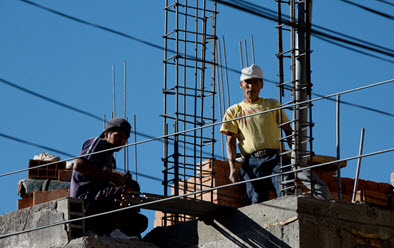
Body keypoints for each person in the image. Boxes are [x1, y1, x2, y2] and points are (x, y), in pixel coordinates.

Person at [220, 64, 330, 204]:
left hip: (276, 158)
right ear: (241, 84)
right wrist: (232, 168)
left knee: (287, 190)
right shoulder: (234, 111)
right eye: (247, 82)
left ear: (261, 85)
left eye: (255, 82)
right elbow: (230, 142)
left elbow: (288, 131)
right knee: (257, 200)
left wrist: (298, 158)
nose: (251, 86)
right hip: (251, 162)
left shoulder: (272, 104)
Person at [70, 117, 148, 239]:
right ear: (106, 134)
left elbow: (105, 186)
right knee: (130, 186)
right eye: (118, 136)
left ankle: (112, 230)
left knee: (140, 220)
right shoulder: (97, 143)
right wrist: (112, 176)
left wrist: (120, 181)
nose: (121, 141)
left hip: (100, 203)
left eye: (125, 139)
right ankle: (112, 229)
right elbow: (79, 165)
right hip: (86, 201)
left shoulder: (111, 160)